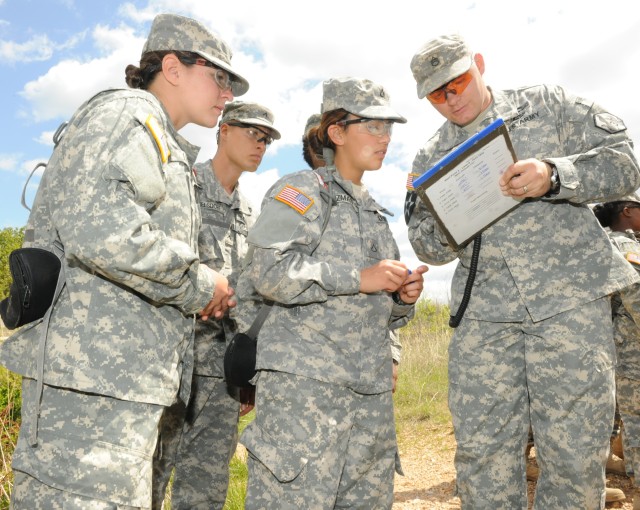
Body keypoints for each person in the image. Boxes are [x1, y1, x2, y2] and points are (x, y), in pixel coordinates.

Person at [0, 12, 248, 509]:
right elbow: (102, 229)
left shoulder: (162, 139)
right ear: (173, 67)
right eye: (218, 78)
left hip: (121, 384)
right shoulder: (127, 114)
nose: (227, 95)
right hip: (89, 387)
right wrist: (203, 284)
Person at [405, 33, 640, 509]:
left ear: (480, 65)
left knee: (574, 454)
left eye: (458, 82)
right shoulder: (430, 158)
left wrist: (555, 175)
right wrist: (455, 214)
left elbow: (625, 165)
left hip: (569, 307)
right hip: (486, 321)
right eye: (436, 94)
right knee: (482, 456)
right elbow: (425, 244)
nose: (451, 99)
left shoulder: (547, 106)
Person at [234, 77, 428, 509]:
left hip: (369, 396)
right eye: (372, 127)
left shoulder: (373, 212)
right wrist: (359, 278)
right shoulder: (301, 191)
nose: (385, 138)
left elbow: (384, 310)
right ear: (336, 133)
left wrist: (402, 300)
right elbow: (268, 272)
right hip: (307, 396)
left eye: (388, 128)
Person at [152, 101, 281, 510]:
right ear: (223, 130)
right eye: (252, 134)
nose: (259, 145)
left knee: (206, 485)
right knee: (148, 476)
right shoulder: (182, 186)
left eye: (266, 140)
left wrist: (247, 374)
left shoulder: (252, 213)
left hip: (222, 373)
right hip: (173, 361)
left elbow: (254, 293)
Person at [302, 111, 404, 390]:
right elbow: (267, 276)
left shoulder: (371, 213)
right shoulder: (299, 199)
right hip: (309, 371)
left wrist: (392, 356)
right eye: (317, 142)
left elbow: (385, 301)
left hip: (366, 373)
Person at [593, 195, 640, 510]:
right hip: (629, 351)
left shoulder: (600, 243)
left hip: (606, 350)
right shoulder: (624, 247)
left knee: (609, 417)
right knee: (636, 419)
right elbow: (636, 298)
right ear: (627, 212)